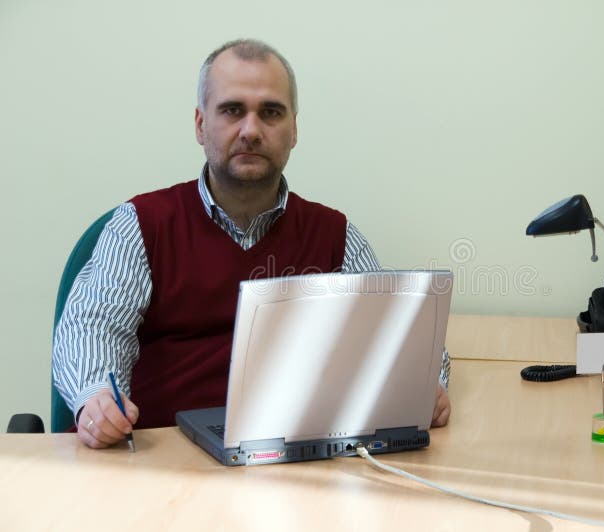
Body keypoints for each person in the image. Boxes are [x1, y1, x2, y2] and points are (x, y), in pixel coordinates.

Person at [52, 39, 451, 449]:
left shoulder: (334, 235)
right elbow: (93, 326)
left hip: (287, 461)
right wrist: (96, 398)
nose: (251, 130)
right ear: (200, 124)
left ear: (294, 129)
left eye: (271, 112)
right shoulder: (141, 224)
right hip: (156, 458)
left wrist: (425, 386)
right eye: (232, 110)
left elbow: (405, 331)